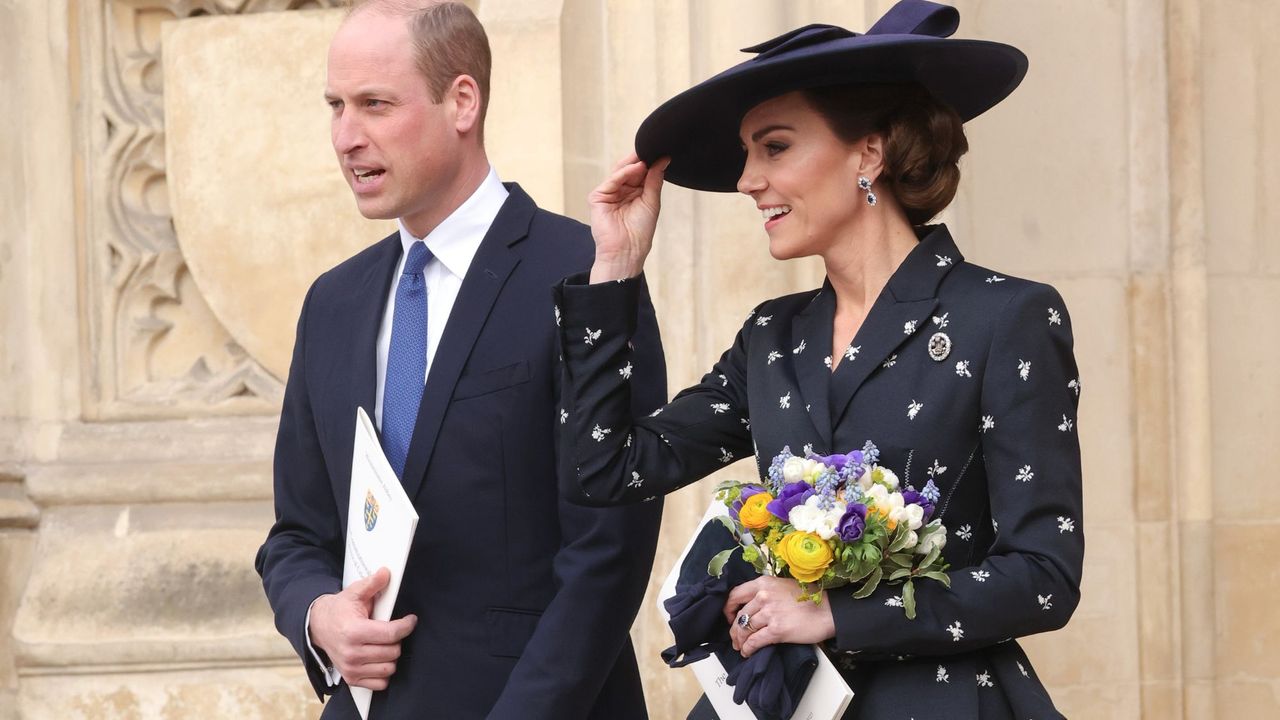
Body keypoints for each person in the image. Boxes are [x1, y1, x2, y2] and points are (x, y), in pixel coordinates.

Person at [553, 1, 1083, 717]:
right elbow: (605, 469)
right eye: (747, 154)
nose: (746, 180)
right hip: (782, 700)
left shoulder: (1005, 316)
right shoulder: (773, 335)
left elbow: (1045, 575)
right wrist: (615, 266)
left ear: (868, 153)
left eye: (773, 148)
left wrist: (839, 613)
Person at [254, 2, 666, 718]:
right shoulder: (333, 302)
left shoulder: (584, 272)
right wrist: (320, 617)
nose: (346, 137)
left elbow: (606, 558)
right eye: (336, 107)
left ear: (462, 101)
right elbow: (297, 535)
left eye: (375, 105)